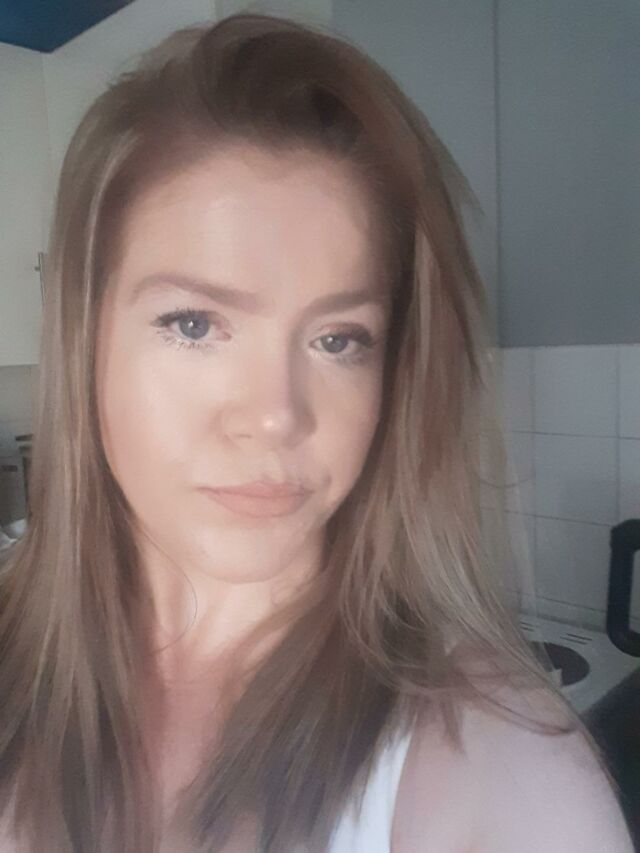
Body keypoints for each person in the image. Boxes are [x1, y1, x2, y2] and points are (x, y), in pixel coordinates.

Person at [0, 12, 633, 853]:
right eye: (194, 323)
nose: (276, 414)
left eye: (338, 340)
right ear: (86, 339)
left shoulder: (500, 766)